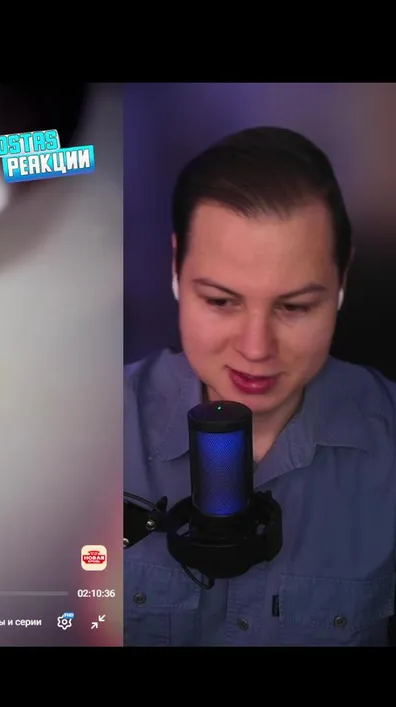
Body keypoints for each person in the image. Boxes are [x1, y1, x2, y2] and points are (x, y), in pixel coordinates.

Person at [123, 126, 396, 647]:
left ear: (342, 281)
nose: (255, 348)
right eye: (221, 301)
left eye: (294, 307)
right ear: (176, 268)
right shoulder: (85, 429)